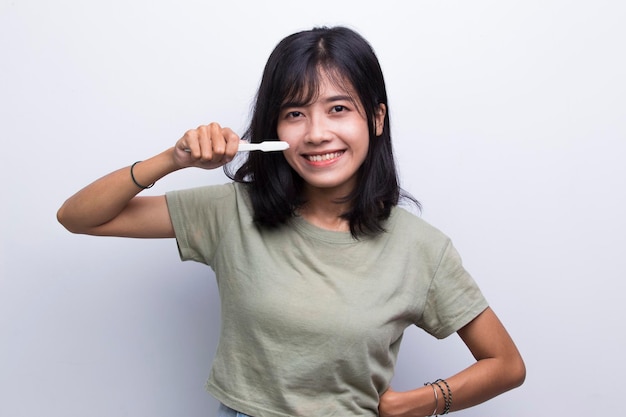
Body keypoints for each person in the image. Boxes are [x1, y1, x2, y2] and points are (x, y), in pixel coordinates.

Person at [57, 26, 525, 417]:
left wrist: (424, 401)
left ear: (376, 118)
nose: (317, 132)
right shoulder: (233, 211)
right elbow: (79, 217)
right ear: (274, 130)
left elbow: (505, 364)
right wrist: (171, 158)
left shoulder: (422, 249)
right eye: (295, 113)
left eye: (338, 108)